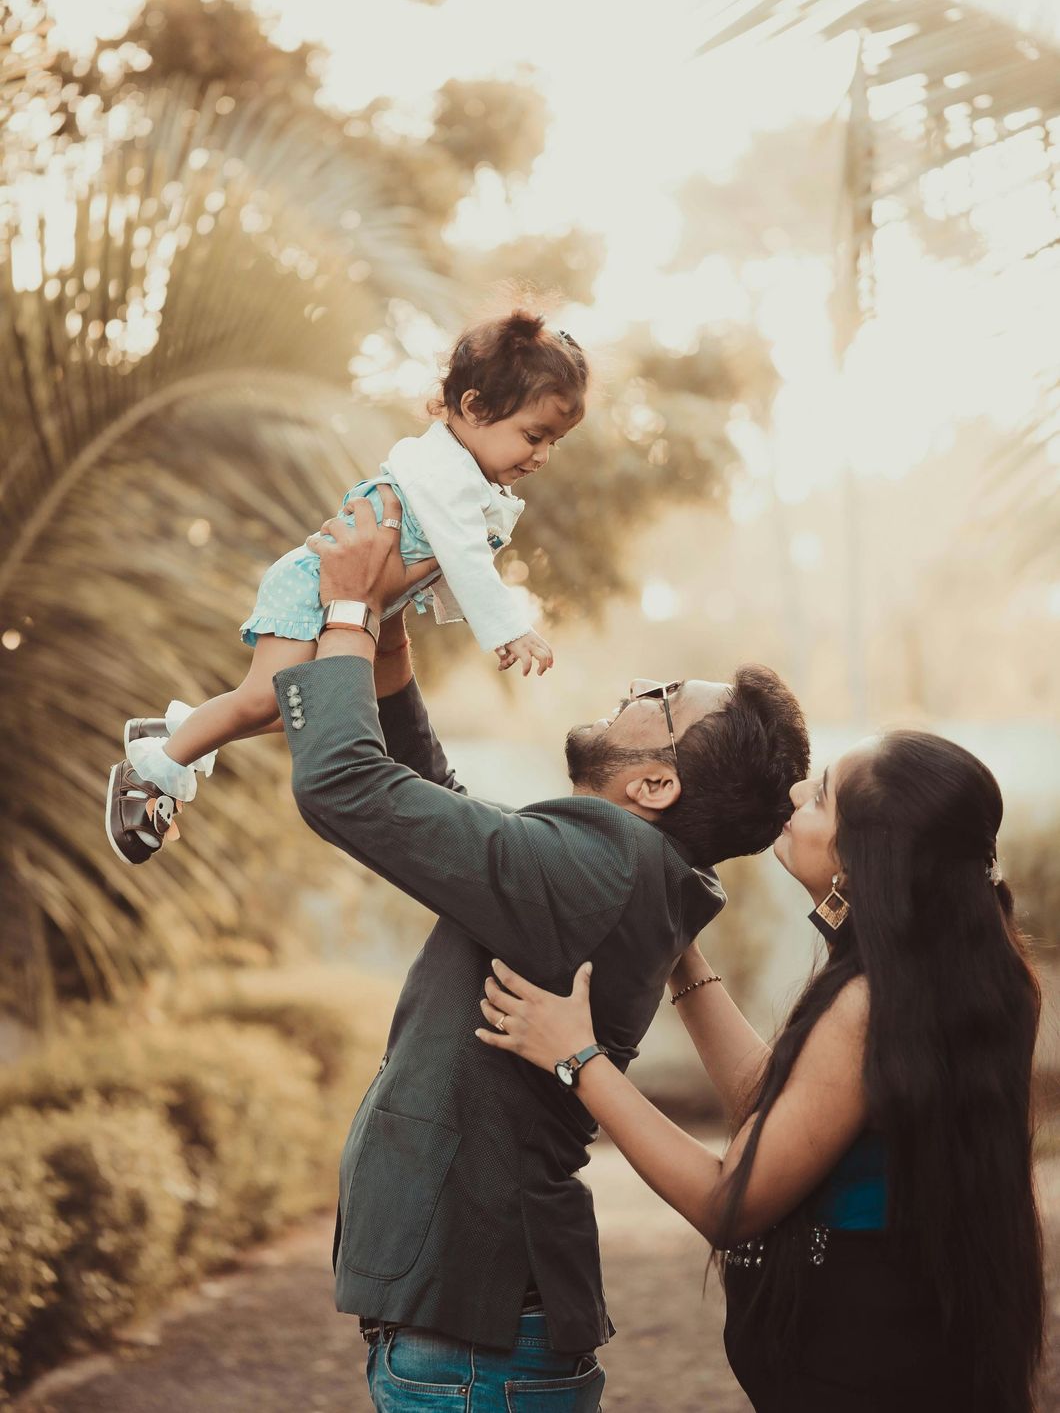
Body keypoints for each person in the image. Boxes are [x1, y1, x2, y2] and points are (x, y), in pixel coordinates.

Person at [267, 489, 809, 1412]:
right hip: (487, 1338)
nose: (639, 688)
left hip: (474, 1353)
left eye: (663, 700)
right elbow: (445, 810)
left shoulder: (600, 865)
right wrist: (391, 652)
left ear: (654, 781)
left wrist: (352, 608)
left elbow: (344, 788)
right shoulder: (623, 869)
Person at [478, 730, 1044, 1411]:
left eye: (823, 794)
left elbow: (731, 1203)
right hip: (913, 1354)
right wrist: (680, 951)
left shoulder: (870, 1003)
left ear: (859, 858)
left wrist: (578, 1058)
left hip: (858, 1376)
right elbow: (788, 1110)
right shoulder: (966, 974)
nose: (798, 791)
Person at [105, 308, 586, 866]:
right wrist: (510, 629)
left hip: (342, 595)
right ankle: (147, 773)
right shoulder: (446, 476)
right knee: (263, 699)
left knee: (290, 708)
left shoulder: (460, 472)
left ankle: (174, 731)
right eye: (534, 435)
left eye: (555, 442)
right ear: (474, 408)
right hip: (313, 587)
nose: (543, 456)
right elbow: (464, 556)